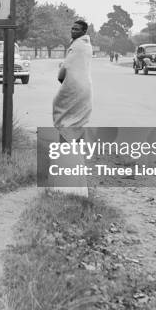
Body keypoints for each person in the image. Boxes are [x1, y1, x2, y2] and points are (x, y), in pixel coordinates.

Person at [51, 20, 93, 198]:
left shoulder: (78, 47)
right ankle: (71, 170)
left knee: (67, 123)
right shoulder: (84, 45)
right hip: (82, 89)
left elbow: (67, 68)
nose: (73, 31)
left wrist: (61, 73)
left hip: (76, 89)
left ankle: (67, 174)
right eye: (72, 28)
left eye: (77, 29)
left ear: (83, 31)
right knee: (74, 125)